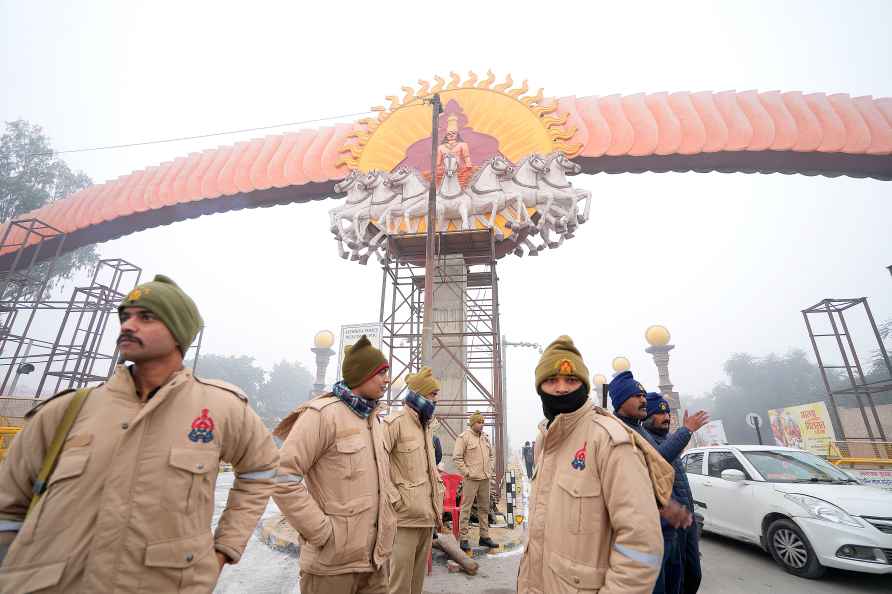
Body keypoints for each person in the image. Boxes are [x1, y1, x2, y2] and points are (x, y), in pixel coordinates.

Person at [0, 275, 279, 593]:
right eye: (125, 317)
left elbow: (262, 471)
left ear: (178, 333)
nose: (128, 325)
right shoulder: (66, 412)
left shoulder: (222, 409)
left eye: (146, 317)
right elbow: (8, 505)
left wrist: (223, 549)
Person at [517, 336, 673, 594]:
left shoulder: (609, 440)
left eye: (571, 380)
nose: (561, 388)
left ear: (584, 385)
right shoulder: (545, 439)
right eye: (551, 380)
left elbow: (642, 544)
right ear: (539, 386)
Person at [273, 335, 396, 594]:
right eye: (381, 373)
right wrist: (322, 533)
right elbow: (282, 478)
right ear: (361, 375)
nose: (387, 380)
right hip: (331, 565)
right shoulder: (322, 415)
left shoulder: (376, 421)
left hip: (375, 564)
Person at [609, 371, 694, 594]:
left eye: (644, 395)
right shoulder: (617, 433)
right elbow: (641, 475)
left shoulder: (638, 430)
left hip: (668, 529)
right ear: (620, 401)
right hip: (644, 535)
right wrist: (685, 432)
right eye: (636, 395)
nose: (643, 399)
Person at [382, 367, 445, 594]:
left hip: (426, 518)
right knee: (398, 585)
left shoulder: (426, 426)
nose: (437, 399)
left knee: (416, 585)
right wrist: (395, 500)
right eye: (434, 394)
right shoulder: (394, 423)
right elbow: (377, 465)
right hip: (404, 520)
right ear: (419, 394)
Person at [644, 393, 708, 594]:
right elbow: (659, 459)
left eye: (667, 412)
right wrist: (686, 430)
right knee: (676, 580)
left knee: (693, 574)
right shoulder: (646, 440)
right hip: (669, 524)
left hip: (687, 520)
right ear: (647, 416)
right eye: (659, 413)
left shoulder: (668, 439)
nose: (666, 417)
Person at [453, 411, 497, 552]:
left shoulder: (485, 438)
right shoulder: (464, 437)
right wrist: (467, 473)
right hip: (471, 479)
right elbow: (457, 458)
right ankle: (464, 538)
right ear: (472, 423)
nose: (482, 425)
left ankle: (484, 536)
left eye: (483, 422)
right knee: (466, 508)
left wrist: (489, 470)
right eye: (479, 422)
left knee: (484, 508)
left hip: (485, 478)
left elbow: (491, 455)